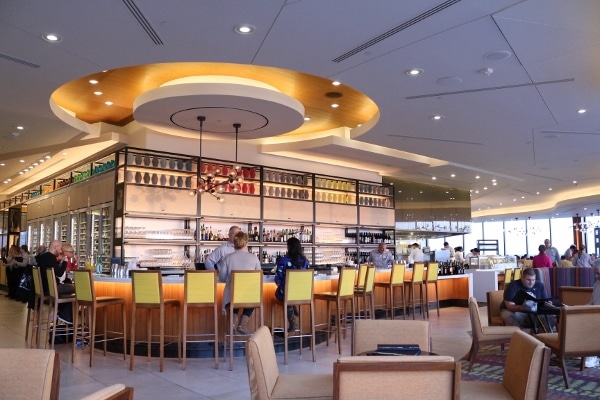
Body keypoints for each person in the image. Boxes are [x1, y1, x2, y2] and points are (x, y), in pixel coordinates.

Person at [218, 231, 261, 334]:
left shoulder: (228, 258)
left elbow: (222, 277)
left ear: (234, 243)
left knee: (235, 298)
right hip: (249, 296)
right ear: (246, 243)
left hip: (232, 297)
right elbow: (259, 277)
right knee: (252, 297)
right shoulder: (254, 258)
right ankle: (242, 324)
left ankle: (232, 324)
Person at [274, 237, 310, 332]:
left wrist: (282, 285)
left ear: (288, 247)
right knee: (289, 294)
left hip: (286, 293)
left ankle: (292, 322)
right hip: (303, 295)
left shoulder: (283, 260)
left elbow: (278, 279)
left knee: (285, 293)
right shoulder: (305, 261)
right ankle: (293, 305)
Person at [35, 239, 75, 323]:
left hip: (44, 287)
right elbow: (59, 273)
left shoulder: (42, 257)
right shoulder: (50, 257)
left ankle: (61, 312)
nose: (61, 251)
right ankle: (64, 315)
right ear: (55, 247)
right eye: (60, 248)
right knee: (76, 289)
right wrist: (64, 262)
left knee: (68, 289)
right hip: (52, 288)